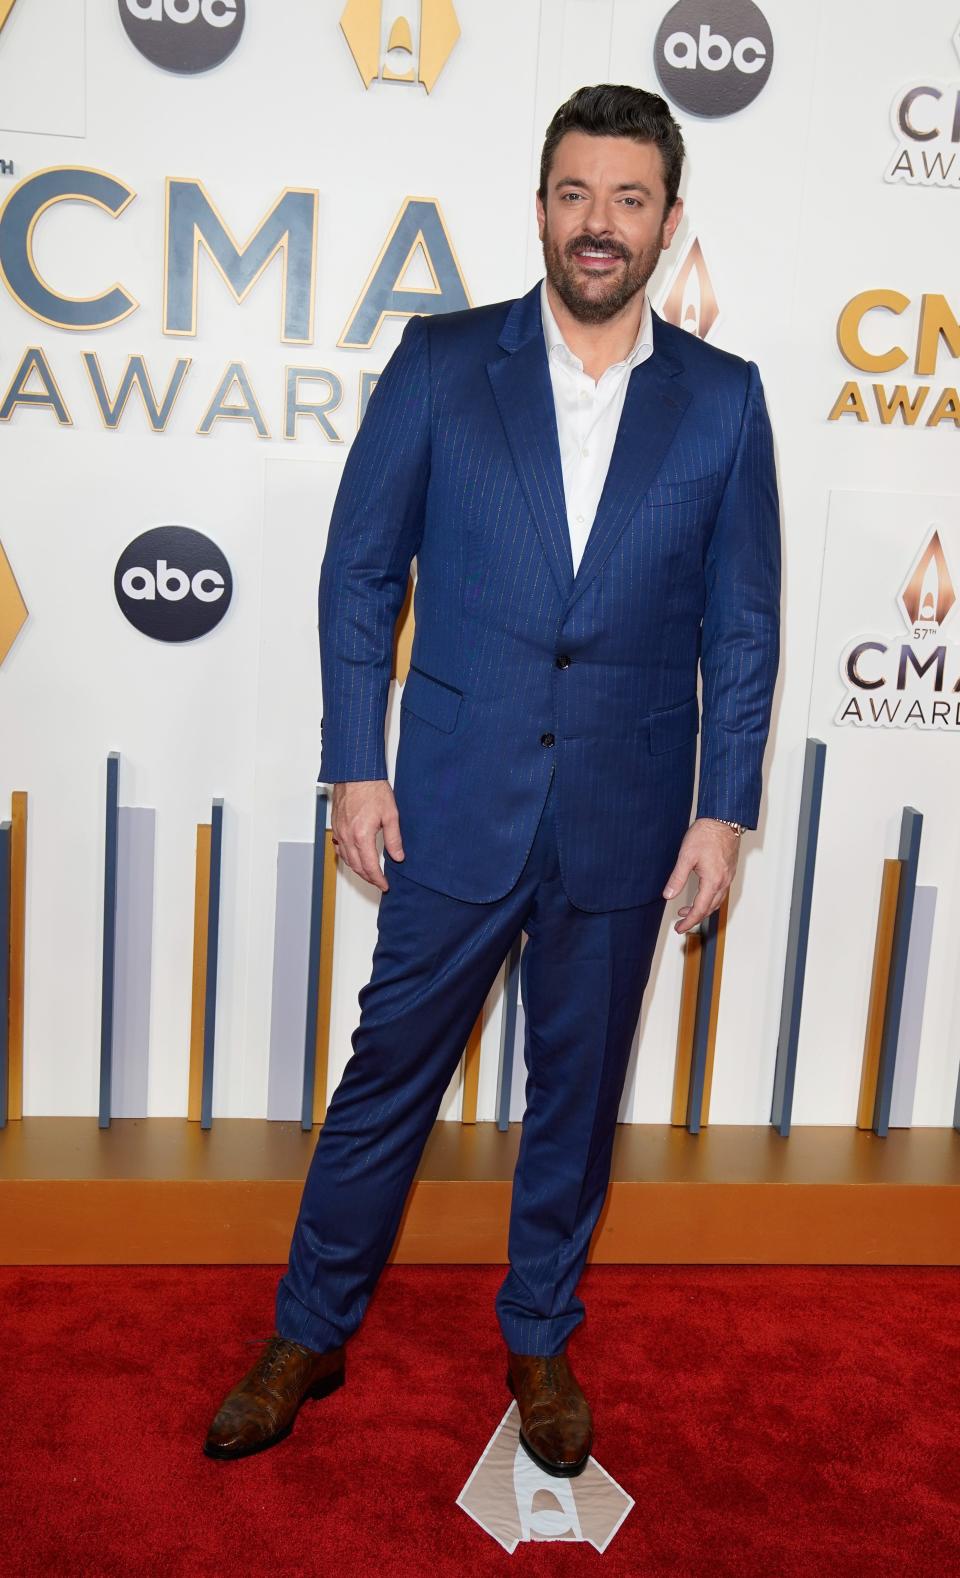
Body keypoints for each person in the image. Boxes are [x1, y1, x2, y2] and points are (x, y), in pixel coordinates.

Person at [204, 83, 781, 1474]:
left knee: (576, 1099)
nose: (600, 223)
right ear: (539, 208)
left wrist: (723, 805)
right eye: (576, 193)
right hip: (451, 797)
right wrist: (356, 764)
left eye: (630, 199)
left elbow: (743, 623)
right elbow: (359, 576)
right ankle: (309, 1328)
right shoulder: (442, 363)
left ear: (668, 222)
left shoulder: (724, 400)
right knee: (385, 1078)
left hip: (627, 813)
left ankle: (539, 1337)